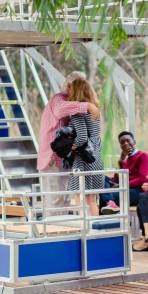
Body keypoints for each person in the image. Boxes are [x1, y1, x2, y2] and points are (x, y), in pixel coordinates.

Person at [37, 72, 100, 216]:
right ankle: (54, 231)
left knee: (64, 196)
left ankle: (62, 230)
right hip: (53, 156)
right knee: (56, 197)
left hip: (65, 157)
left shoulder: (75, 108)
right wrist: (88, 105)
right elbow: (60, 110)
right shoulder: (59, 99)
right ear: (70, 86)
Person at [66, 79, 103, 217]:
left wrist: (70, 148)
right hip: (96, 154)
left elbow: (81, 137)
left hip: (83, 158)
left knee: (80, 198)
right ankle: (96, 229)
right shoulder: (95, 111)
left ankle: (85, 230)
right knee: (92, 200)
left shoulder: (78, 114)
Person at [99, 131, 148, 214]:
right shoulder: (125, 160)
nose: (126, 144)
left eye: (128, 140)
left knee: (105, 197)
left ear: (134, 142)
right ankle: (110, 202)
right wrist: (121, 160)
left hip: (138, 191)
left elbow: (143, 179)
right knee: (101, 178)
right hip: (126, 188)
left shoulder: (143, 155)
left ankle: (109, 203)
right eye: (122, 142)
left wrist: (121, 185)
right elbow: (116, 180)